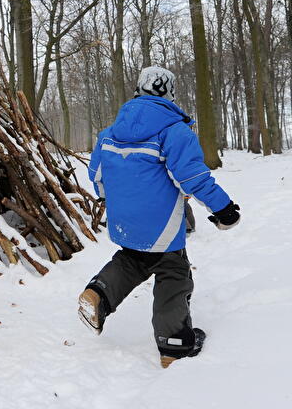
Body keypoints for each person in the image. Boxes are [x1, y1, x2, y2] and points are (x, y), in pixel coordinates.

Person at [78, 66, 241, 368]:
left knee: (132, 260)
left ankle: (98, 293)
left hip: (124, 219)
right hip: (162, 222)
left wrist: (114, 199)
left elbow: (97, 177)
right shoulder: (175, 131)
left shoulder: (109, 133)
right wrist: (223, 209)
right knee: (173, 272)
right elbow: (192, 178)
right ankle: (174, 345)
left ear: (138, 91)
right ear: (170, 94)